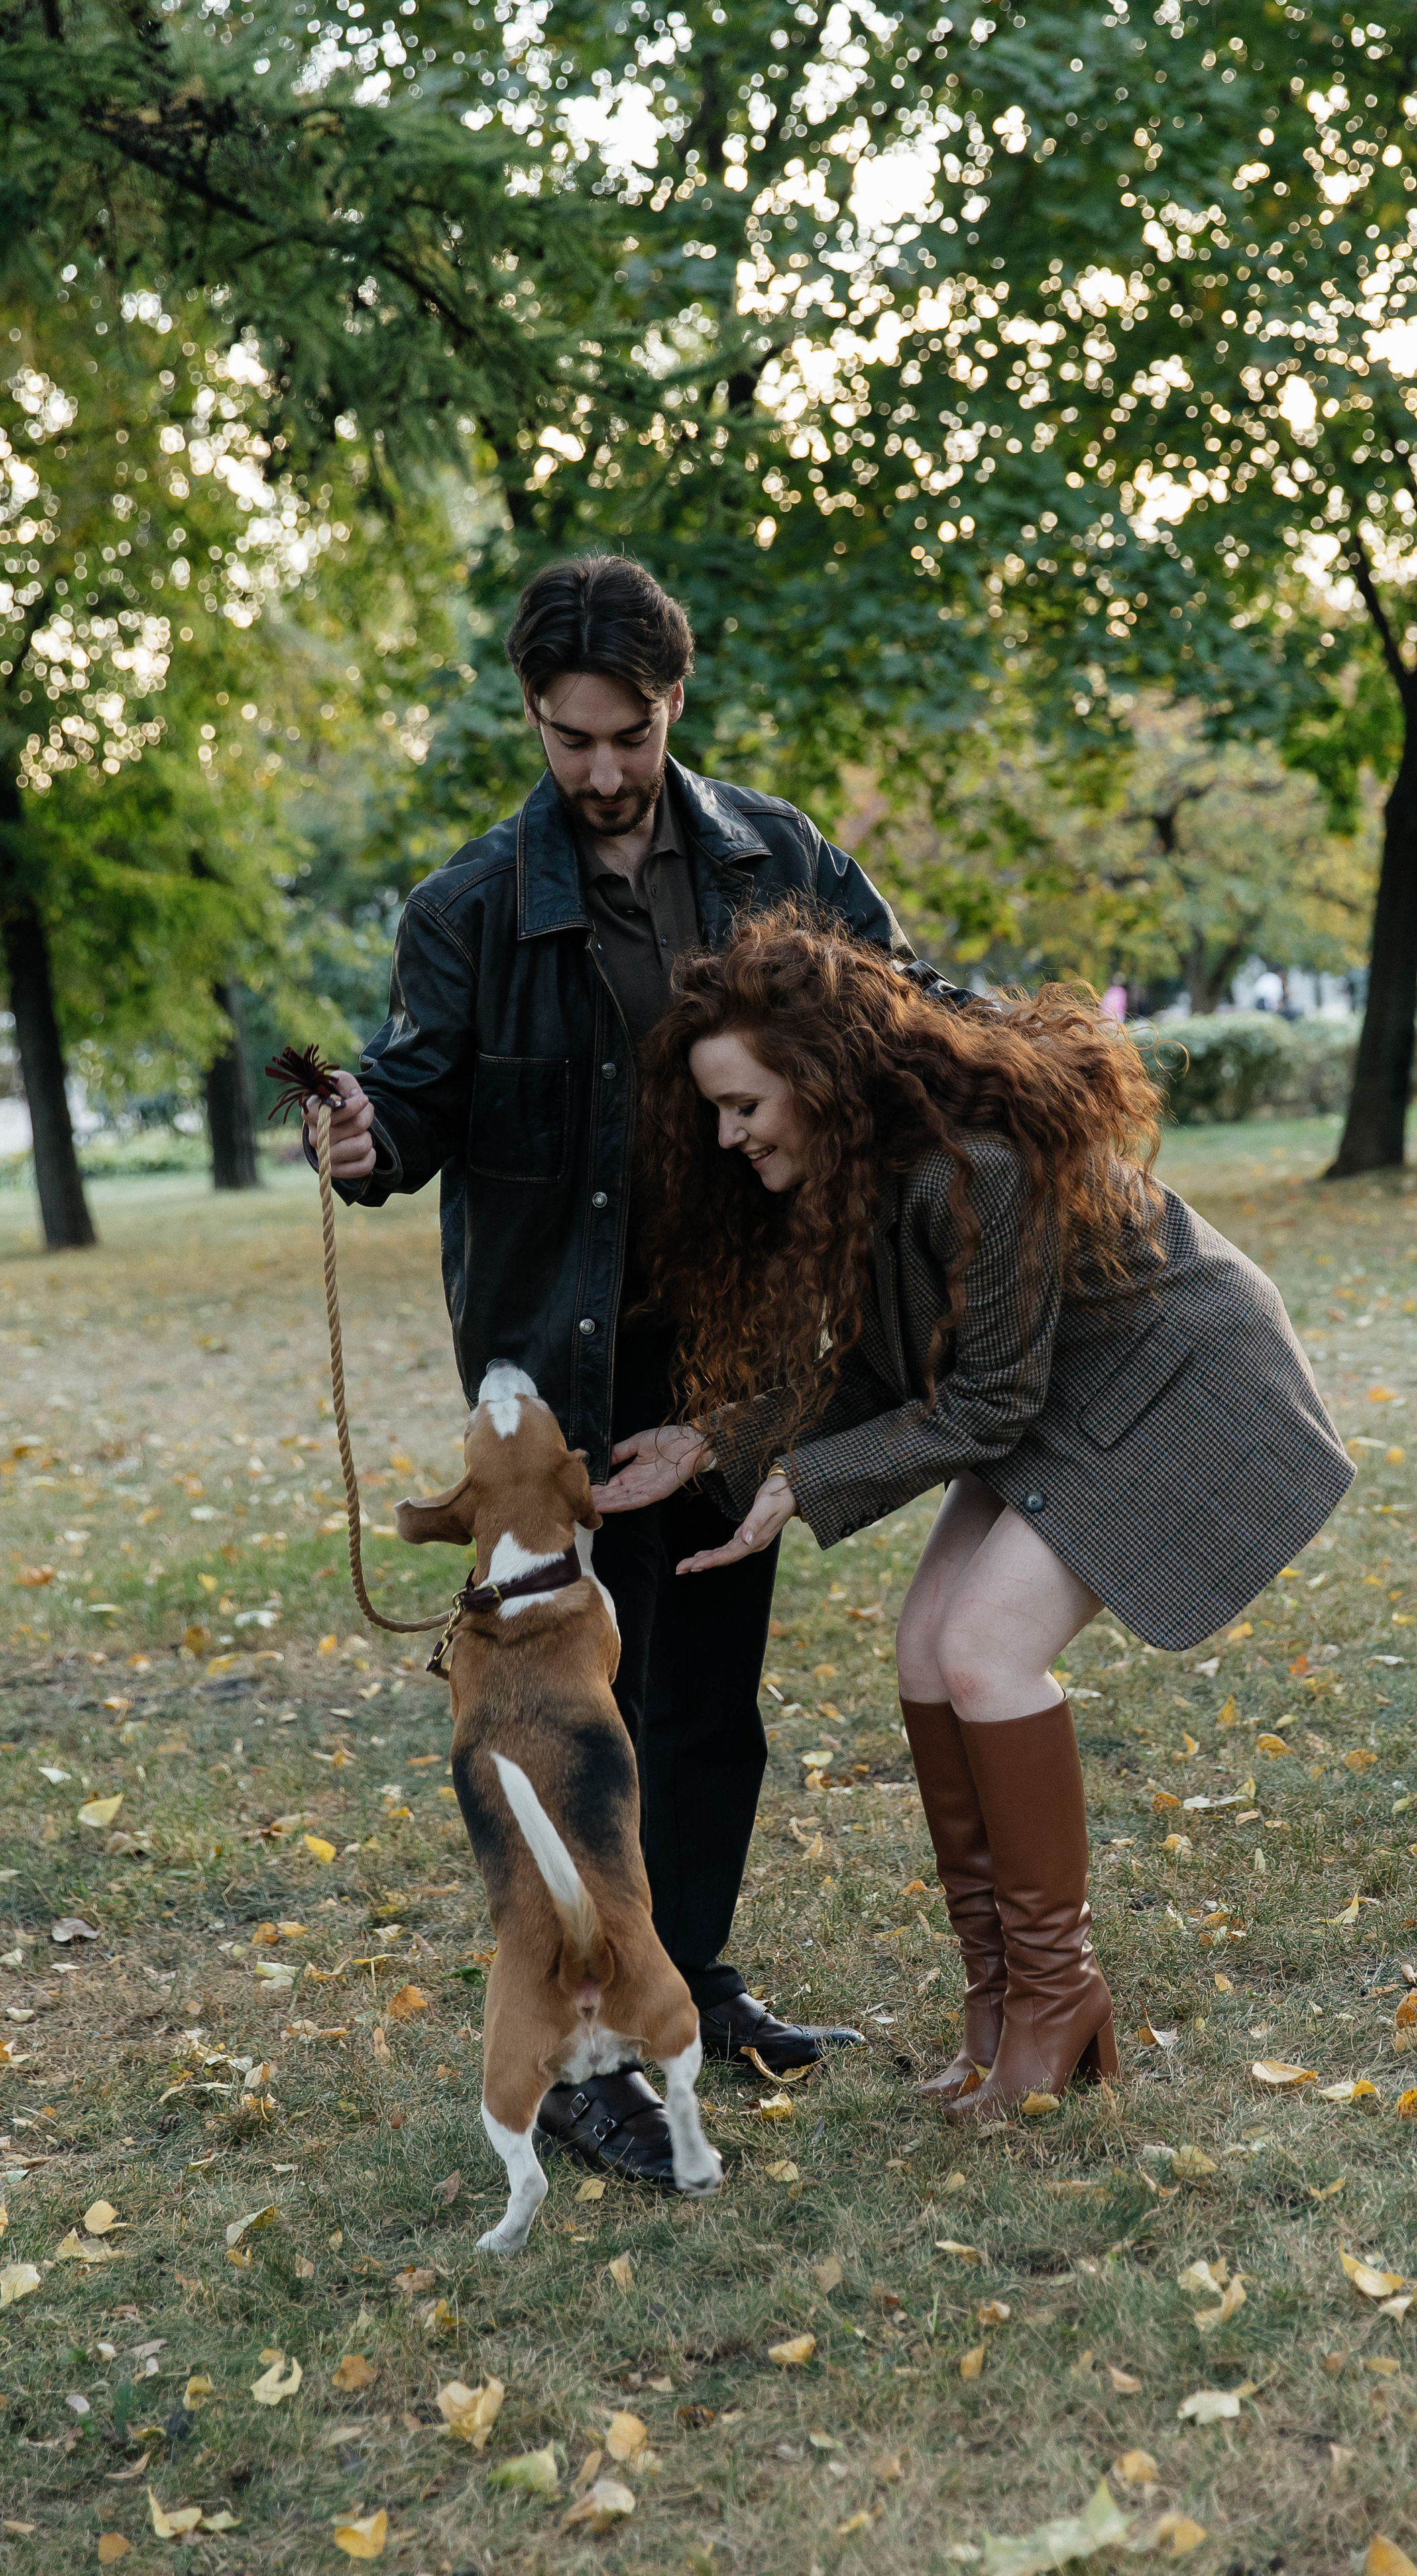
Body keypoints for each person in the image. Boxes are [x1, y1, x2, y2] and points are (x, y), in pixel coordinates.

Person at [300, 556, 958, 2190]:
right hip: (563, 1376)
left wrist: (1004, 1049)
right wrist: (369, 1136)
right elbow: (413, 1096)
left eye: (630, 734)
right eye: (566, 736)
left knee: (704, 1702)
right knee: (569, 1737)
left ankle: (693, 1984)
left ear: (677, 705)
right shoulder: (467, 906)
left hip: (735, 1352)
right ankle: (582, 2046)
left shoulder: (777, 857)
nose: (599, 770)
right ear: (530, 712)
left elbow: (897, 1001)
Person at [595, 916, 1354, 2119]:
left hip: (1173, 1384)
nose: (730, 1137)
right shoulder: (870, 1173)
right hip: (1058, 1392)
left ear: (816, 1079)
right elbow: (900, 1369)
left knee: (986, 1651)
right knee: (924, 1653)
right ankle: (998, 1998)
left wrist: (798, 1484)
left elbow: (986, 1398)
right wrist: (717, 1440)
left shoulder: (974, 1170)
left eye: (743, 1106)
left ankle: (1060, 1997)